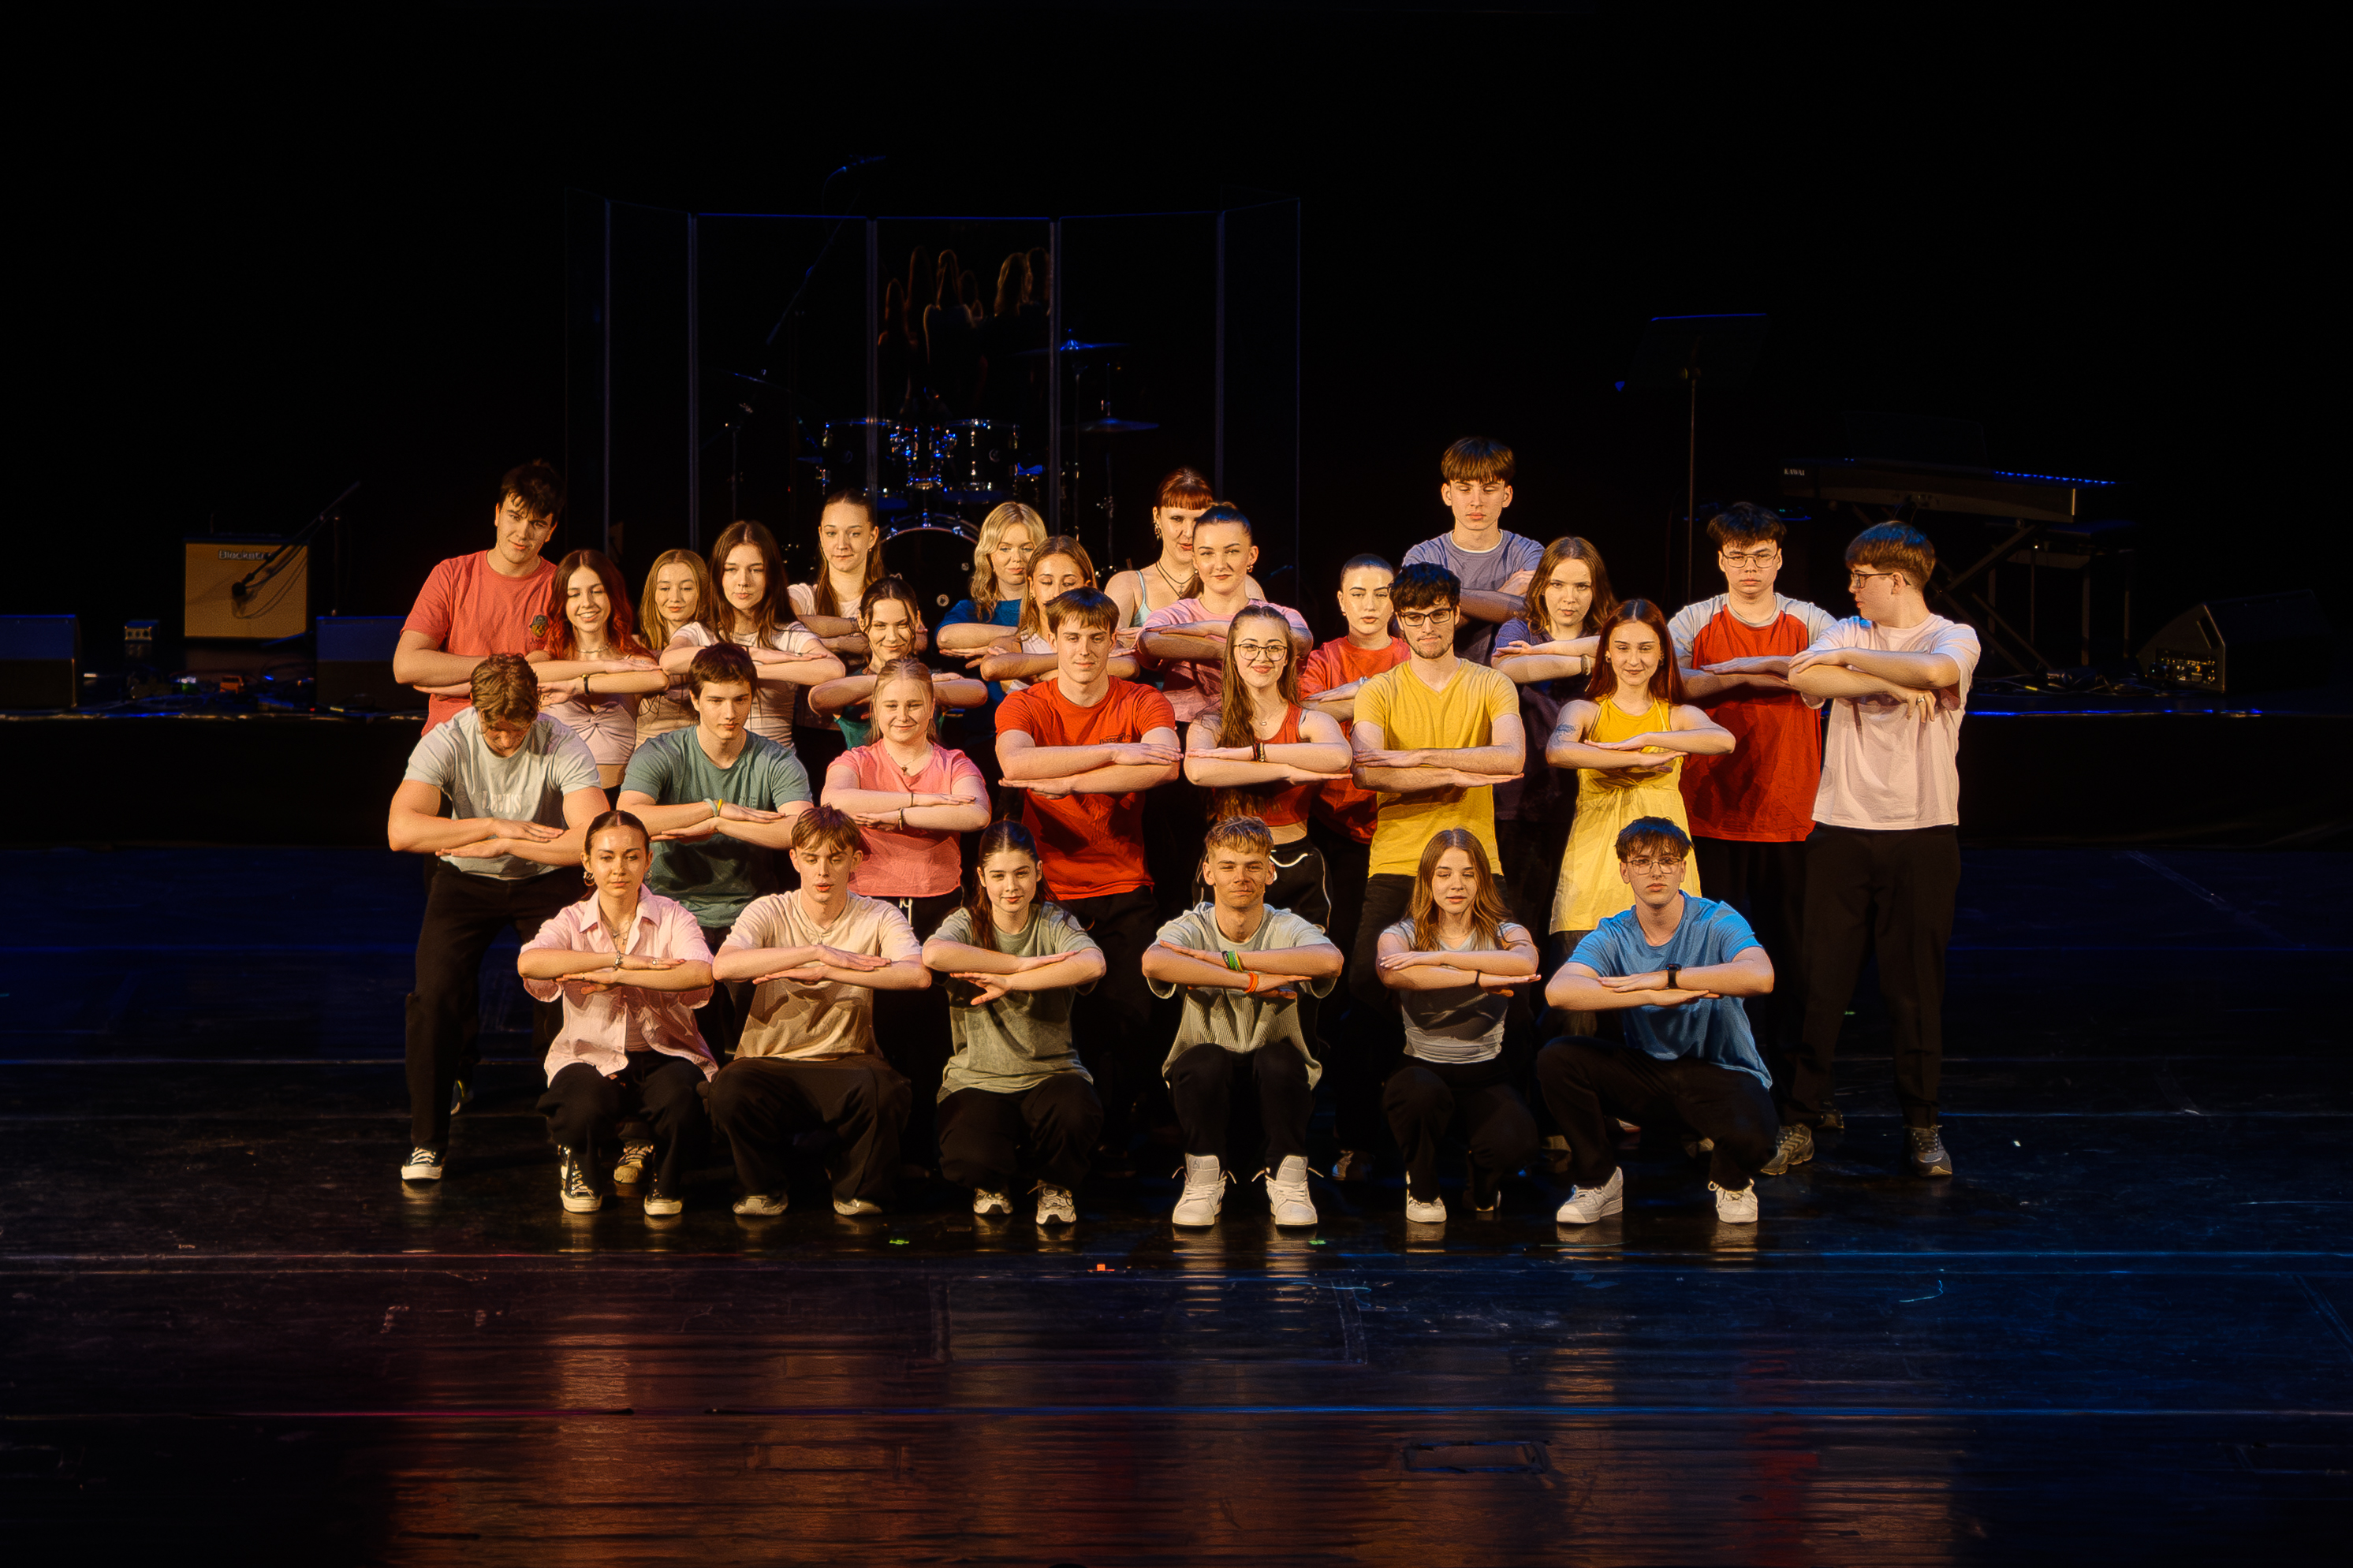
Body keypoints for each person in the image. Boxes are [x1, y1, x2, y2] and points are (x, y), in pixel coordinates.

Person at [1774, 522, 1980, 1180]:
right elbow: (1802, 674)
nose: (1852, 588)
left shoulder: (1953, 635)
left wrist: (1859, 668)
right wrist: (1892, 682)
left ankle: (1922, 1125)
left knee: (1914, 989)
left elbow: (1937, 671)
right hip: (1841, 829)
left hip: (1923, 833)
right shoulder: (1847, 629)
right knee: (1820, 983)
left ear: (1898, 580)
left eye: (1862, 577)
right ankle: (1799, 1118)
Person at [386, 654, 606, 1183]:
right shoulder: (448, 738)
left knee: (566, 993)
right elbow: (401, 830)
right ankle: (428, 1142)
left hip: (544, 878)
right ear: (476, 710)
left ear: (536, 711)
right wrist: (493, 828)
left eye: (517, 729)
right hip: (466, 879)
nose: (506, 740)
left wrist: (512, 843)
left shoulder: (562, 741)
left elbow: (596, 838)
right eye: (496, 730)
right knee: (433, 998)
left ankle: (571, 1139)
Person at [1341, 562, 1524, 1175]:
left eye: (1438, 614)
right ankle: (1360, 1141)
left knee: (1503, 988)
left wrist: (1415, 761)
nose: (1427, 626)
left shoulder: (1491, 683)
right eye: (1414, 617)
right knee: (1368, 990)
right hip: (1398, 859)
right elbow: (1367, 768)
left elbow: (1511, 758)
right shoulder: (1379, 689)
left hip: (1475, 863)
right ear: (1400, 619)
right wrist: (1457, 768)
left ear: (1456, 613)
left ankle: (1486, 1134)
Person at [995, 586, 1181, 1168]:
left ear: (1113, 641)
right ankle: (1052, 1144)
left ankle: (1111, 1139)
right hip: (1048, 891)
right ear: (1052, 640)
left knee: (1129, 1022)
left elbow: (1163, 763)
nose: (1083, 650)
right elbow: (1017, 764)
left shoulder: (1142, 699)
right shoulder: (1026, 705)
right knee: (1053, 1022)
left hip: (1125, 884)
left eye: (1096, 638)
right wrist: (1115, 755)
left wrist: (1071, 780)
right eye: (1071, 637)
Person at [1539, 818, 1777, 1227]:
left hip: (1721, 1073)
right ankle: (1599, 1180)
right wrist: (1648, 994)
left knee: (1758, 1139)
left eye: (1667, 861)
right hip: (1650, 1076)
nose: (1656, 872)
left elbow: (1760, 976)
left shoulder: (1716, 919)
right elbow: (1559, 991)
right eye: (1642, 861)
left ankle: (1732, 1181)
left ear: (1683, 869)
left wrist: (1667, 978)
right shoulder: (1615, 932)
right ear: (1625, 871)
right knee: (1558, 1058)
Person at [1667, 503, 1838, 1060]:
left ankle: (1795, 1082)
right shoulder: (1694, 620)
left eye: (1762, 556)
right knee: (1706, 953)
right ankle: (1710, 1067)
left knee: (1793, 957)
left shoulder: (1811, 620)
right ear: (1721, 560)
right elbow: (1675, 682)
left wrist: (1727, 671)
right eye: (1738, 557)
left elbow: (1831, 676)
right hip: (1709, 812)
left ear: (1779, 559)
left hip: (1789, 814)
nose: (1750, 568)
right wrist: (1766, 671)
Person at [709, 807, 930, 1216]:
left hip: (845, 1060)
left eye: (835, 858)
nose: (822, 871)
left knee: (885, 1090)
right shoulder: (768, 910)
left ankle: (856, 1190)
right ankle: (763, 1188)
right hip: (770, 1061)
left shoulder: (878, 914)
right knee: (728, 1089)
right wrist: (816, 952)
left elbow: (916, 975)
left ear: (855, 860)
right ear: (795, 859)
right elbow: (724, 966)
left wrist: (830, 970)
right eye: (811, 859)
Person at [821, 655, 991, 1157]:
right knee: (873, 1024)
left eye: (914, 705)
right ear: (874, 708)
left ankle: (927, 1144)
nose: (903, 715)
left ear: (932, 707)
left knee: (932, 1030)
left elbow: (975, 813)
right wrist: (925, 807)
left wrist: (895, 814)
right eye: (891, 705)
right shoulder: (855, 761)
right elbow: (836, 803)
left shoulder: (954, 762)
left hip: (938, 905)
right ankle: (871, 1145)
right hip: (870, 905)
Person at [1143, 816, 1344, 1227]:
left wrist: (1228, 960)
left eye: (1253, 866)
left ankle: (1289, 1178)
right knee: (1203, 1059)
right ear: (1208, 872)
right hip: (1206, 1089)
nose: (1241, 877)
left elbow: (1330, 961)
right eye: (1229, 866)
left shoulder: (1286, 925)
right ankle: (1202, 1178)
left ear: (1270, 872)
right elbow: (1154, 961)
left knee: (1280, 1058)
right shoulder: (1193, 924)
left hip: (1274, 1089)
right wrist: (1250, 981)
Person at [615, 644, 815, 1056]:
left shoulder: (775, 759)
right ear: (694, 699)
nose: (730, 713)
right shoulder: (662, 752)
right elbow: (629, 820)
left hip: (750, 907)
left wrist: (720, 823)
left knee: (755, 1041)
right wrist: (711, 807)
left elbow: (800, 831)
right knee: (682, 1040)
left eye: (740, 700)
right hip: (672, 905)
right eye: (717, 700)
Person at [1543, 599, 1732, 1033]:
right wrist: (1634, 759)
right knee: (1579, 1019)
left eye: (1646, 648)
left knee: (1665, 1018)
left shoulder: (1677, 716)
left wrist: (1646, 736)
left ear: (1662, 653)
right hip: (1593, 876)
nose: (1634, 660)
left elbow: (1724, 741)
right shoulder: (1586, 711)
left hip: (1662, 879)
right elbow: (1558, 750)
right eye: (1623, 648)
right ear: (1607, 653)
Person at [516, 810, 716, 1216]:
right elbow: (530, 962)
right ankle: (579, 1163)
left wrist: (621, 977)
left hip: (665, 1052)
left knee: (684, 1101)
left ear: (648, 860)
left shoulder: (673, 915)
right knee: (578, 1106)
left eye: (631, 856)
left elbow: (700, 972)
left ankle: (667, 1174)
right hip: (590, 1053)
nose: (619, 868)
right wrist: (617, 960)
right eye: (606, 858)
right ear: (588, 863)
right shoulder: (572, 919)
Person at [921, 820, 1109, 1224]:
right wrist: (1018, 964)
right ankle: (992, 1181)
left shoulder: (1054, 921)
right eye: (999, 876)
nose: (1011, 887)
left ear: (1038, 872)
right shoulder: (966, 923)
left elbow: (1093, 964)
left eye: (1022, 873)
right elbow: (934, 955)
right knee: (970, 1159)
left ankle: (1054, 1183)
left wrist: (1012, 983)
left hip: (1051, 1072)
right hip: (979, 1076)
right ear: (981, 878)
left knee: (1076, 1113)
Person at [1376, 830, 1542, 1221]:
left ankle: (1482, 1183)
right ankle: (1422, 1187)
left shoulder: (1504, 931)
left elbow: (1524, 962)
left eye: (1468, 874)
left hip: (1485, 1073)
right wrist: (1479, 979)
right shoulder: (1402, 933)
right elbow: (1392, 972)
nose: (1456, 885)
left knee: (1517, 1144)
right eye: (1444, 874)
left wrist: (1435, 959)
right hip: (1421, 1067)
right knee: (1418, 1096)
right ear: (1428, 880)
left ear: (1482, 880)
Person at [1300, 553, 1410, 1130]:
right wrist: (1375, 689)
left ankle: (1390, 1084)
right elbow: (1305, 707)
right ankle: (1335, 1095)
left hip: (1401, 824)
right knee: (1340, 954)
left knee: (1390, 958)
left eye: (1381, 593)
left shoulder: (1412, 653)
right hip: (1335, 826)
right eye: (1358, 593)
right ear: (1341, 601)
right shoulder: (1323, 657)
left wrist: (1353, 696)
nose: (1370, 604)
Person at [1491, 535, 1614, 937]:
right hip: (1523, 799)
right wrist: (1584, 662)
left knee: (1579, 926)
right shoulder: (1520, 628)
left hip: (1591, 800)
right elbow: (1508, 669)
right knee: (1521, 922)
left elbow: (1627, 648)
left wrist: (1559, 654)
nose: (1569, 598)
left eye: (1581, 586)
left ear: (1595, 591)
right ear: (1542, 586)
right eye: (1558, 584)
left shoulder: (1609, 633)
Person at [394, 461, 565, 732]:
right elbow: (406, 665)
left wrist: (462, 681)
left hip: (523, 732)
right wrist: (509, 665)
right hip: (452, 731)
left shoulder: (562, 586)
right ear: (497, 514)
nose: (523, 533)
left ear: (551, 531)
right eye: (515, 516)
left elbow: (555, 673)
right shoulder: (452, 574)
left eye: (537, 523)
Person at [659, 520, 845, 755]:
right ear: (718, 575)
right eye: (731, 569)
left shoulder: (785, 632)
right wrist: (751, 653)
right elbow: (670, 661)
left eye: (756, 570)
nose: (743, 581)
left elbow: (833, 669)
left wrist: (752, 669)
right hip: (715, 766)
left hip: (775, 767)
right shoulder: (701, 631)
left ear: (771, 576)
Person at [1135, 505, 1313, 725]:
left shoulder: (1280, 615)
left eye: (1232, 552)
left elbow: (1302, 640)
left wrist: (1209, 629)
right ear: (1195, 560)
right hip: (1185, 729)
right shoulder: (1178, 614)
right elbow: (1150, 642)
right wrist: (1228, 650)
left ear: (1251, 556)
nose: (1220, 565)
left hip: (1260, 729)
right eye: (1207, 553)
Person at [524, 549, 668, 794]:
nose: (587, 603)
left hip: (618, 797)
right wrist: (603, 666)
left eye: (597, 591)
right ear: (563, 602)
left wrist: (579, 685)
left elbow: (658, 679)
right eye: (574, 594)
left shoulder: (631, 656)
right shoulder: (548, 658)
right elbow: (525, 673)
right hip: (557, 798)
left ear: (612, 594)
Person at [1402, 438, 1544, 666]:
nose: (1476, 502)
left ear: (1506, 496)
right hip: (1441, 678)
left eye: (1489, 490)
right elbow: (1416, 629)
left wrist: (1441, 599)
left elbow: (1531, 611)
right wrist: (1505, 593)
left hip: (1509, 678)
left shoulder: (1529, 552)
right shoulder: (1423, 557)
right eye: (1465, 489)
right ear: (1447, 494)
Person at [804, 577, 986, 750]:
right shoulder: (853, 681)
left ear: (916, 621)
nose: (892, 637)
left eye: (902, 625)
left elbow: (978, 693)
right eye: (880, 626)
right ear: (862, 622)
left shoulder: (928, 678)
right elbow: (818, 699)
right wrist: (897, 683)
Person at [788, 489, 892, 778]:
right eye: (832, 533)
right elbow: (784, 623)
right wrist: (853, 636)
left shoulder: (892, 596)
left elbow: (915, 639)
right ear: (821, 536)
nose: (842, 544)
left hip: (877, 738)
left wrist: (820, 644)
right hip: (814, 738)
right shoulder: (803, 596)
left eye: (854, 534)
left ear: (872, 537)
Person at [934, 501, 1040, 777]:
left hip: (1044, 733)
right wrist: (1024, 638)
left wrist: (1003, 648)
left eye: (1027, 548)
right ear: (989, 556)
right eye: (1005, 548)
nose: (1016, 558)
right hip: (987, 736)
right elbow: (946, 637)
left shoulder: (1054, 607)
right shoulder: (975, 611)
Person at [972, 535, 1142, 694]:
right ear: (1032, 587)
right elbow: (991, 668)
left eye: (1068, 583)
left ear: (1087, 587)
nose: (1057, 593)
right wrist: (1064, 662)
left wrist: (1042, 674)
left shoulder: (1098, 639)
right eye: (1046, 582)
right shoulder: (1017, 643)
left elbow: (1128, 667)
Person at [1102, 467, 1262, 630]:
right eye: (1177, 519)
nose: (1189, 532)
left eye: (1198, 520)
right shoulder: (1128, 585)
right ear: (1157, 517)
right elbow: (1108, 641)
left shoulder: (1241, 585)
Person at [634, 549, 713, 746]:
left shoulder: (716, 642)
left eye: (686, 588)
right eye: (664, 588)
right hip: (648, 752)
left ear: (702, 593)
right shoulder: (635, 646)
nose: (675, 597)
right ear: (653, 593)